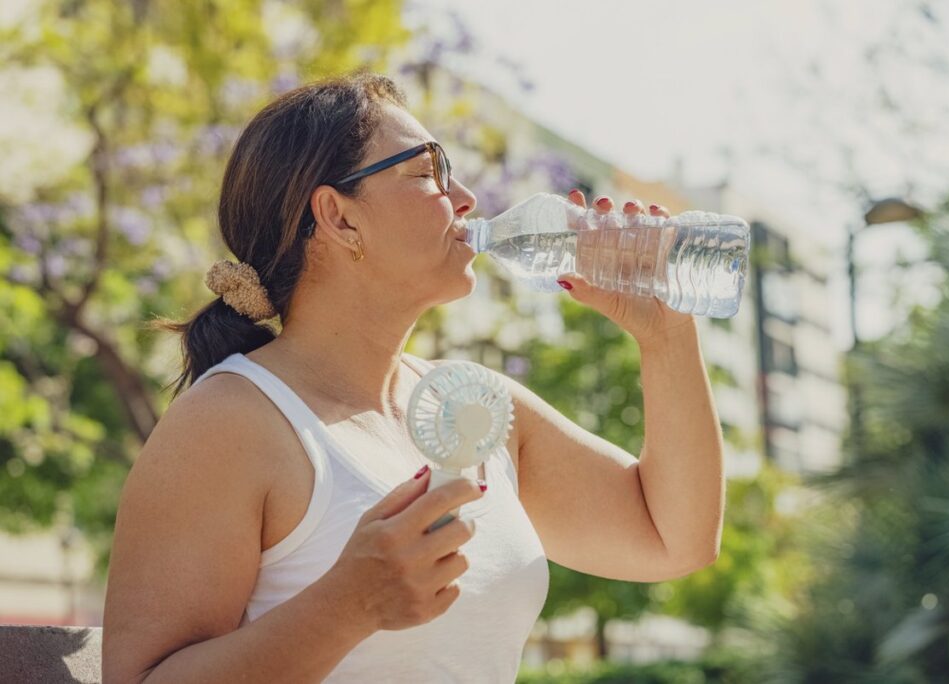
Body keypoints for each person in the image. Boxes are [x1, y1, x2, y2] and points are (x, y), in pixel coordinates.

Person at [101, 71, 725, 683]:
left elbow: (672, 538)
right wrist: (346, 605)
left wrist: (666, 333)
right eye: (428, 172)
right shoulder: (230, 422)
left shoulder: (476, 404)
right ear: (340, 218)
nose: (466, 200)